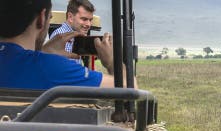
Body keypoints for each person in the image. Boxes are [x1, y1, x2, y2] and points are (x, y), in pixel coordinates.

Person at [0, 0, 131, 90]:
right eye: (49, 17)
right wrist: (112, 61)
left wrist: (43, 52)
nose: (88, 24)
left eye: (90, 20)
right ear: (41, 18)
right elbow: (129, 89)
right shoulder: (51, 66)